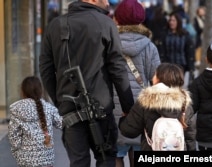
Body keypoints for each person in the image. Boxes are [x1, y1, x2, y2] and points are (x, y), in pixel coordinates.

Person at [39, 0, 134, 166]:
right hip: (101, 109)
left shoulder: (55, 26)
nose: (107, 2)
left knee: (78, 161)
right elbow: (118, 69)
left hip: (70, 111)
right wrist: (128, 107)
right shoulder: (105, 24)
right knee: (106, 159)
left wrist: (60, 101)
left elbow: (46, 70)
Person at [113, 0, 161, 166]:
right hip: (142, 111)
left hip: (116, 111)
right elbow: (157, 82)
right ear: (141, 20)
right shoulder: (150, 47)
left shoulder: (110, 45)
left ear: (117, 19)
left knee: (116, 155)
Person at [119, 63, 197, 151]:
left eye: (155, 74)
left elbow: (129, 131)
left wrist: (123, 118)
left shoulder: (146, 101)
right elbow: (190, 136)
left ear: (158, 79)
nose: (153, 77)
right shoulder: (185, 103)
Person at [8, 76, 62, 167]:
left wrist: (17, 153)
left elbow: (13, 138)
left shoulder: (17, 110)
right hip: (47, 160)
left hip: (25, 160)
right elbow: (61, 124)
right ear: (41, 91)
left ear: (22, 92)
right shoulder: (49, 108)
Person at [161, 12, 195, 85]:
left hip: (181, 66)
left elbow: (189, 51)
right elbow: (162, 50)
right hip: (168, 66)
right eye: (170, 20)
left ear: (178, 22)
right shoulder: (165, 34)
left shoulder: (185, 35)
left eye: (174, 20)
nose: (171, 22)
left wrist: (191, 66)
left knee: (177, 86)